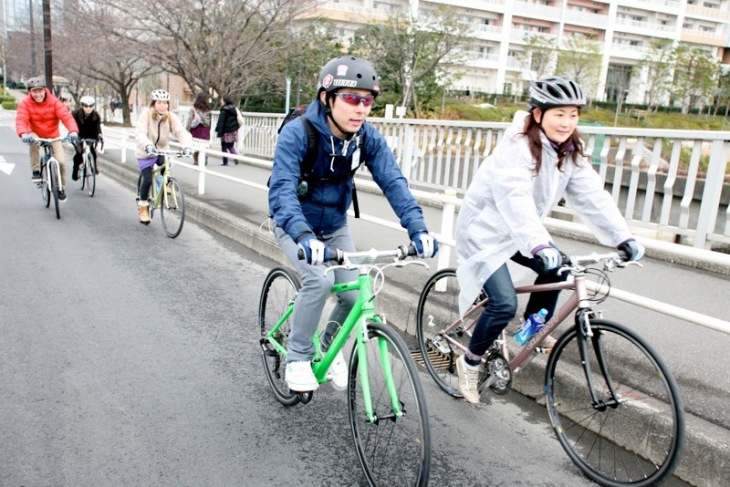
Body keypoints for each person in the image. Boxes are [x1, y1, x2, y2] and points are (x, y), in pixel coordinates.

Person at [453, 76, 646, 404]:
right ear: (538, 115)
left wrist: (623, 237)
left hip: (520, 233)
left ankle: (533, 331)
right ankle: (469, 363)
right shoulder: (516, 147)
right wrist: (539, 244)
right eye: (559, 114)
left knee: (560, 269)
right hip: (483, 232)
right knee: (503, 303)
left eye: (573, 114)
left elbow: (592, 196)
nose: (567, 122)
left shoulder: (569, 151)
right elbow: (514, 198)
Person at [268, 55, 439, 392]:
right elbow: (282, 190)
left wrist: (418, 228)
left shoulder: (366, 137)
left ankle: (326, 348)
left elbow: (393, 182)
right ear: (326, 98)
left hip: (333, 225)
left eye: (367, 100)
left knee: (349, 294)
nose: (361, 108)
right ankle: (298, 356)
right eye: (350, 98)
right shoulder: (297, 133)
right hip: (294, 225)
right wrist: (302, 235)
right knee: (318, 282)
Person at [15, 76, 79, 202]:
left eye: (40, 91)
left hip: (53, 135)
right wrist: (23, 134)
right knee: (32, 141)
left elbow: (66, 117)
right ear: (30, 92)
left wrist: (73, 131)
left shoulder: (54, 102)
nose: (37, 94)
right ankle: (36, 170)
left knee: (60, 161)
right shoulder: (25, 103)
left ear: (45, 90)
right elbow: (21, 119)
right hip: (35, 133)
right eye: (34, 91)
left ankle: (61, 187)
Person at [134, 89, 193, 224]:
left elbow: (181, 132)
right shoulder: (146, 115)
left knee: (165, 169)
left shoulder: (171, 116)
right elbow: (140, 133)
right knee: (148, 179)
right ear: (154, 103)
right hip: (145, 152)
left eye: (165, 103)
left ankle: (164, 185)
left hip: (162, 150)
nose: (162, 105)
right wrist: (148, 145)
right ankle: (143, 206)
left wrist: (187, 146)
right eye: (159, 102)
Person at [71, 96, 103, 180]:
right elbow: (70, 124)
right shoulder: (75, 114)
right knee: (79, 153)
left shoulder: (96, 115)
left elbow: (98, 127)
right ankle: (75, 170)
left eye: (91, 106)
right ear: (82, 105)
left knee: (92, 151)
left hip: (90, 135)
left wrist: (100, 135)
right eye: (85, 106)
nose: (88, 108)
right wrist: (73, 134)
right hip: (78, 134)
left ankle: (94, 167)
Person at [186, 92, 212, 166]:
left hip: (195, 130)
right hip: (205, 130)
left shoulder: (193, 109)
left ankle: (196, 160)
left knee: (195, 146)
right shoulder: (208, 110)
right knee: (204, 145)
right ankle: (204, 159)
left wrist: (186, 130)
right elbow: (209, 123)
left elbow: (189, 120)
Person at [214, 94, 239, 166]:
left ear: (225, 100)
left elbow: (221, 122)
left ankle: (225, 162)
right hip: (233, 130)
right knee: (230, 146)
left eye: (222, 99)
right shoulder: (234, 108)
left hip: (225, 131)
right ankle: (235, 155)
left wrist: (219, 132)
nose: (221, 101)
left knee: (224, 146)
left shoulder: (224, 110)